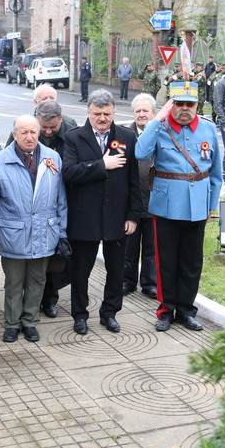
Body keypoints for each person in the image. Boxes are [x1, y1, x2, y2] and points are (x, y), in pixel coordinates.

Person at [135, 82, 223, 332]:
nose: (184, 109)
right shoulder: (159, 127)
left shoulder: (208, 128)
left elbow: (216, 171)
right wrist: (158, 118)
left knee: (192, 262)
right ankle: (166, 310)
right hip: (167, 205)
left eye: (189, 104)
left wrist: (211, 204)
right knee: (166, 261)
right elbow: (141, 153)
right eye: (179, 103)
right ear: (170, 104)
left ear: (197, 105)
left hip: (197, 205)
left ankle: (186, 310)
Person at [0, 114, 68, 343]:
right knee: (13, 282)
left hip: (44, 232)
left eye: (33, 132)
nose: (29, 137)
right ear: (14, 135)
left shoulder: (52, 158)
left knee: (37, 280)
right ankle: (12, 324)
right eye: (24, 132)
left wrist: (61, 231)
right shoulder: (0, 161)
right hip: (13, 233)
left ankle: (30, 322)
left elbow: (61, 198)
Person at [63, 89, 141, 335]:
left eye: (107, 113)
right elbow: (69, 173)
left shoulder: (127, 137)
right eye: (97, 113)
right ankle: (80, 315)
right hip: (84, 217)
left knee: (116, 270)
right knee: (81, 271)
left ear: (114, 112)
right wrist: (101, 165)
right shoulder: (74, 137)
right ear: (89, 112)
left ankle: (110, 313)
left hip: (117, 216)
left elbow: (134, 180)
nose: (102, 118)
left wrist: (133, 215)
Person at [7, 99, 77, 318]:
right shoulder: (23, 132)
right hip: (30, 205)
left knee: (55, 257)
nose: (47, 132)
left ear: (61, 119)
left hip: (60, 202)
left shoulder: (71, 133)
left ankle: (50, 299)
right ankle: (27, 302)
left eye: (52, 127)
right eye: (43, 127)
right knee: (31, 260)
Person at [123, 93, 158, 299]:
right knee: (129, 246)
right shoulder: (124, 135)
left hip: (154, 201)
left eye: (146, 110)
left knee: (152, 246)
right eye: (138, 111)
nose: (141, 114)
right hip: (130, 204)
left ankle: (150, 283)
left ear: (154, 113)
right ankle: (127, 281)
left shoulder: (161, 133)